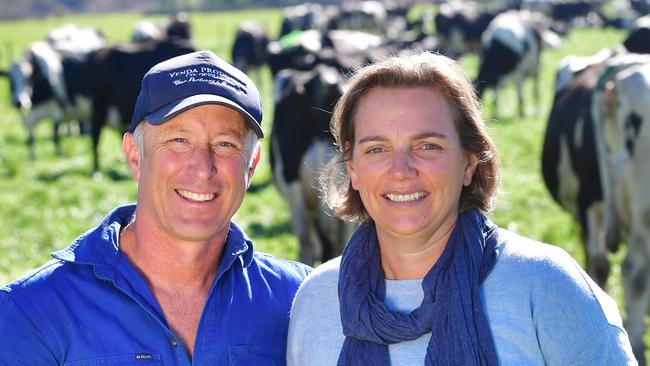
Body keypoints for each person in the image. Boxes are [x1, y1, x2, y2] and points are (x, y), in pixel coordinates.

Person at [286, 52, 637, 365]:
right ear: (352, 168)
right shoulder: (318, 300)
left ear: (469, 161)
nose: (401, 170)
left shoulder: (545, 286)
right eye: (376, 149)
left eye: (427, 145)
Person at [0, 50, 311, 365]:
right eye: (178, 141)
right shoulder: (31, 314)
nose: (203, 168)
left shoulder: (300, 300)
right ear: (135, 155)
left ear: (252, 165)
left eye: (225, 144)